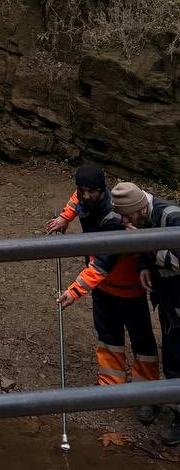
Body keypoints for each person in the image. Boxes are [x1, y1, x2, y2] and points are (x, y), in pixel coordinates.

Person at [53, 165, 160, 417]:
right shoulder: (84, 197)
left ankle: (148, 394)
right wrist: (64, 218)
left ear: (102, 191)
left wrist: (75, 291)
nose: (85, 195)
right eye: (82, 190)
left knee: (141, 339)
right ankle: (111, 386)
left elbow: (103, 263)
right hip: (103, 287)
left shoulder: (115, 218)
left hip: (128, 287)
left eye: (91, 191)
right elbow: (74, 200)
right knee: (107, 335)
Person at [111, 181, 180, 447]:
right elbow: (151, 247)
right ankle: (165, 397)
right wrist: (144, 264)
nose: (124, 220)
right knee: (171, 350)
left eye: (126, 215)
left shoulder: (171, 217)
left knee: (176, 355)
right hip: (169, 297)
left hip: (177, 298)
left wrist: (146, 247)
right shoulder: (143, 216)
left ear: (140, 207)